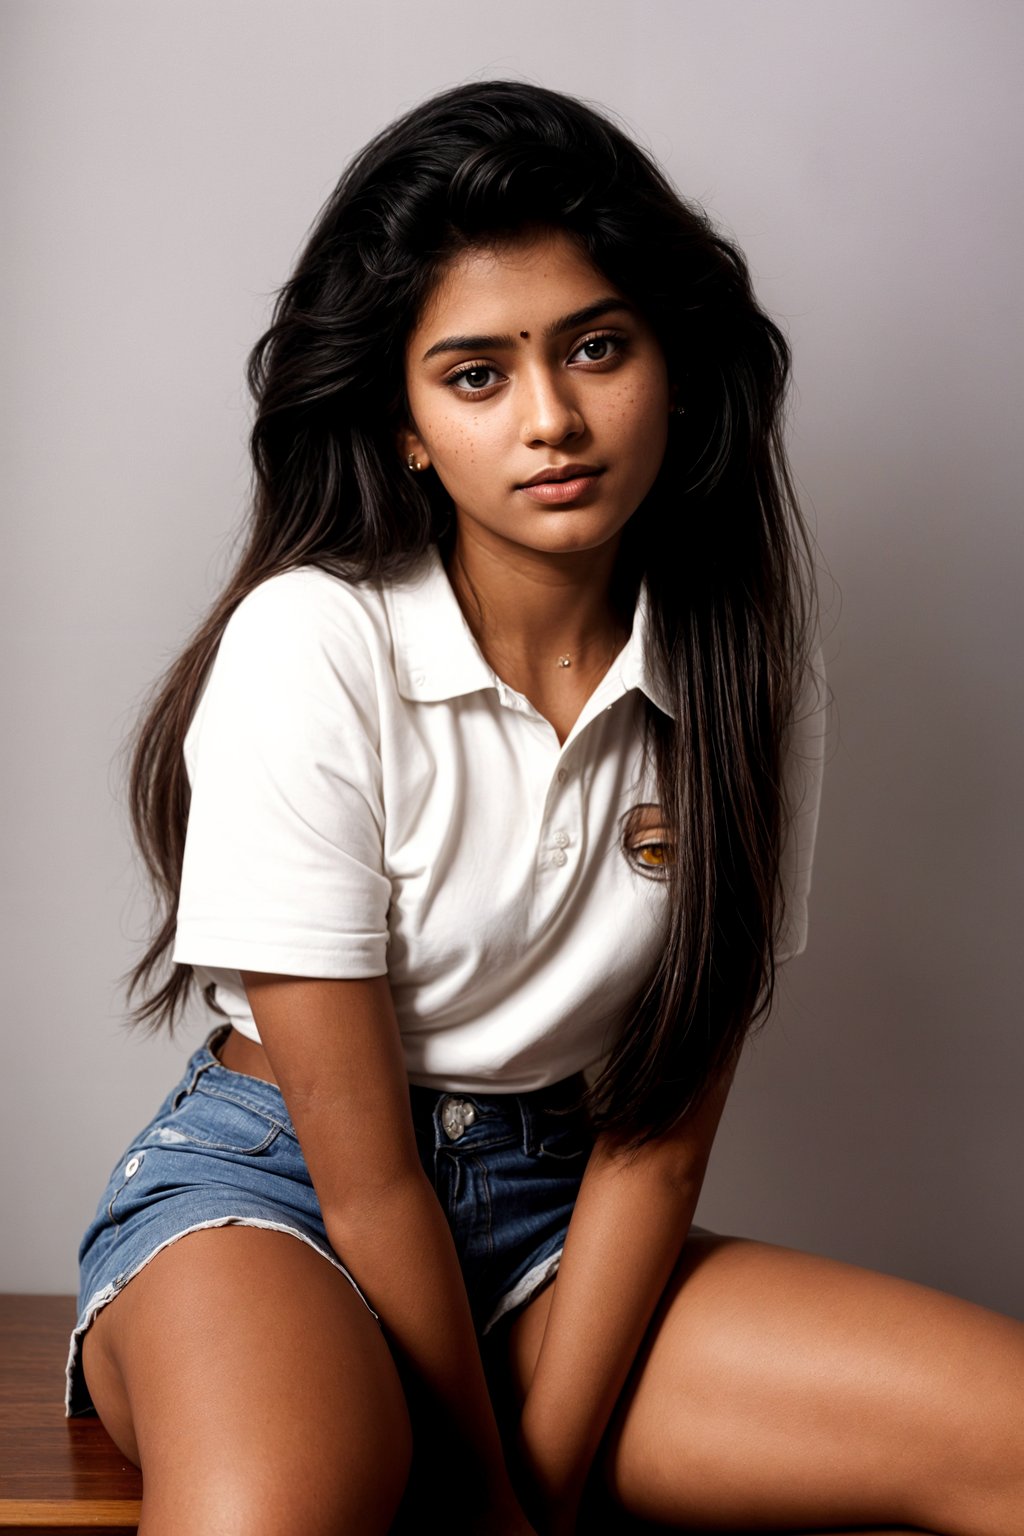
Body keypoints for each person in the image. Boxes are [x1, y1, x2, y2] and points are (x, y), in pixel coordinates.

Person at [66, 81, 1022, 1536]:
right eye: (475, 374)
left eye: (595, 347)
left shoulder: (744, 671)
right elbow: (371, 1168)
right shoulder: (313, 641)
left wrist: (537, 1493)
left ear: (674, 368)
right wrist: (491, 1500)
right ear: (401, 426)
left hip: (557, 1218)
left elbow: (662, 1132)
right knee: (274, 1512)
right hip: (284, 1198)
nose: (553, 419)